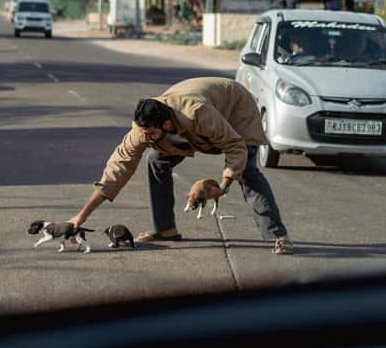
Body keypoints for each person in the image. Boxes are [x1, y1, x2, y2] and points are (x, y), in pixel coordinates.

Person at [67, 76, 293, 255]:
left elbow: (235, 146)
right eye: (142, 133)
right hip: (196, 129)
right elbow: (116, 170)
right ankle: (165, 229)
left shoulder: (197, 113)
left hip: (234, 109)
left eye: (151, 134)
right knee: (155, 160)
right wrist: (82, 215)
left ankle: (277, 236)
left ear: (166, 124)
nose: (145, 139)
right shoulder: (142, 131)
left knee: (247, 172)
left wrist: (222, 186)